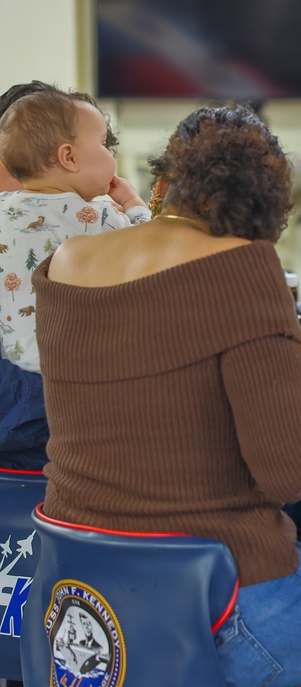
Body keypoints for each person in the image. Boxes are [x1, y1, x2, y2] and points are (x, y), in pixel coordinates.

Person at [33, 105, 301, 686]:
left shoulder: (65, 261)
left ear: (164, 182)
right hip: (217, 602)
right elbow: (290, 470)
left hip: (80, 590)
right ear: (266, 207)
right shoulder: (242, 266)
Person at [0, 84, 140, 470]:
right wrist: (135, 206)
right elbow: (147, 249)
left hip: (14, 367)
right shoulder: (98, 217)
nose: (110, 155)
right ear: (68, 156)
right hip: (66, 385)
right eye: (103, 145)